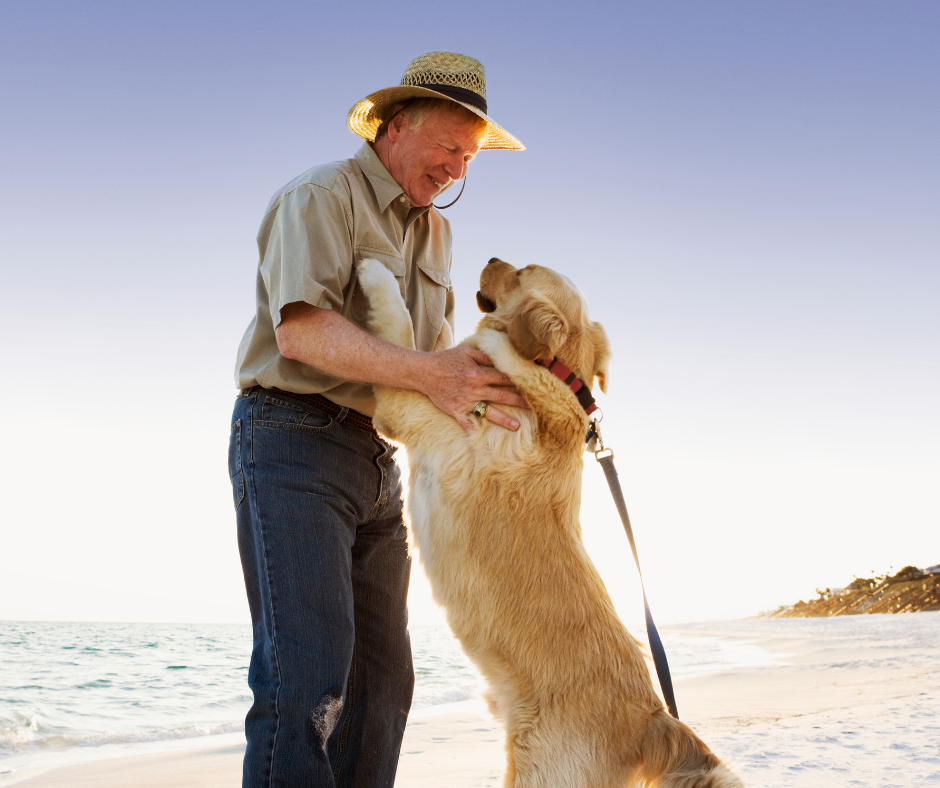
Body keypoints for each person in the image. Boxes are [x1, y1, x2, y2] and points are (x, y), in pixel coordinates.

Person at [228, 51, 525, 787]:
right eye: (448, 146)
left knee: (384, 693)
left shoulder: (437, 235)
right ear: (396, 126)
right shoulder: (321, 196)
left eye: (469, 155)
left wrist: (509, 391)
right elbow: (302, 333)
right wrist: (434, 374)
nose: (457, 167)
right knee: (306, 686)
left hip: (377, 461)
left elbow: (429, 362)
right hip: (290, 441)